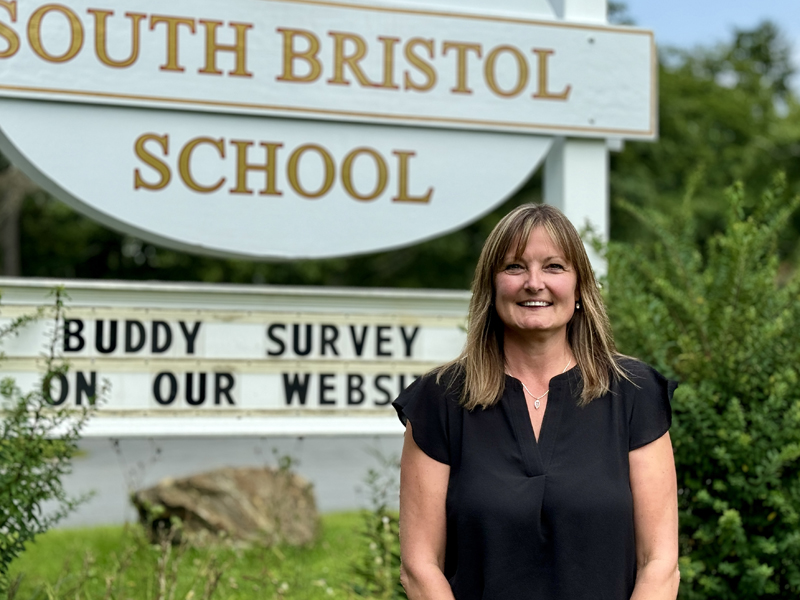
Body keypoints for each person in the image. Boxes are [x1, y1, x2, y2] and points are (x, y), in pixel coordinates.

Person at [393, 203, 679, 600]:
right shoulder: (438, 401)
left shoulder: (634, 393)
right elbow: (419, 568)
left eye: (554, 266)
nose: (533, 282)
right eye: (514, 266)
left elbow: (660, 564)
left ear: (580, 287)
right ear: (491, 286)